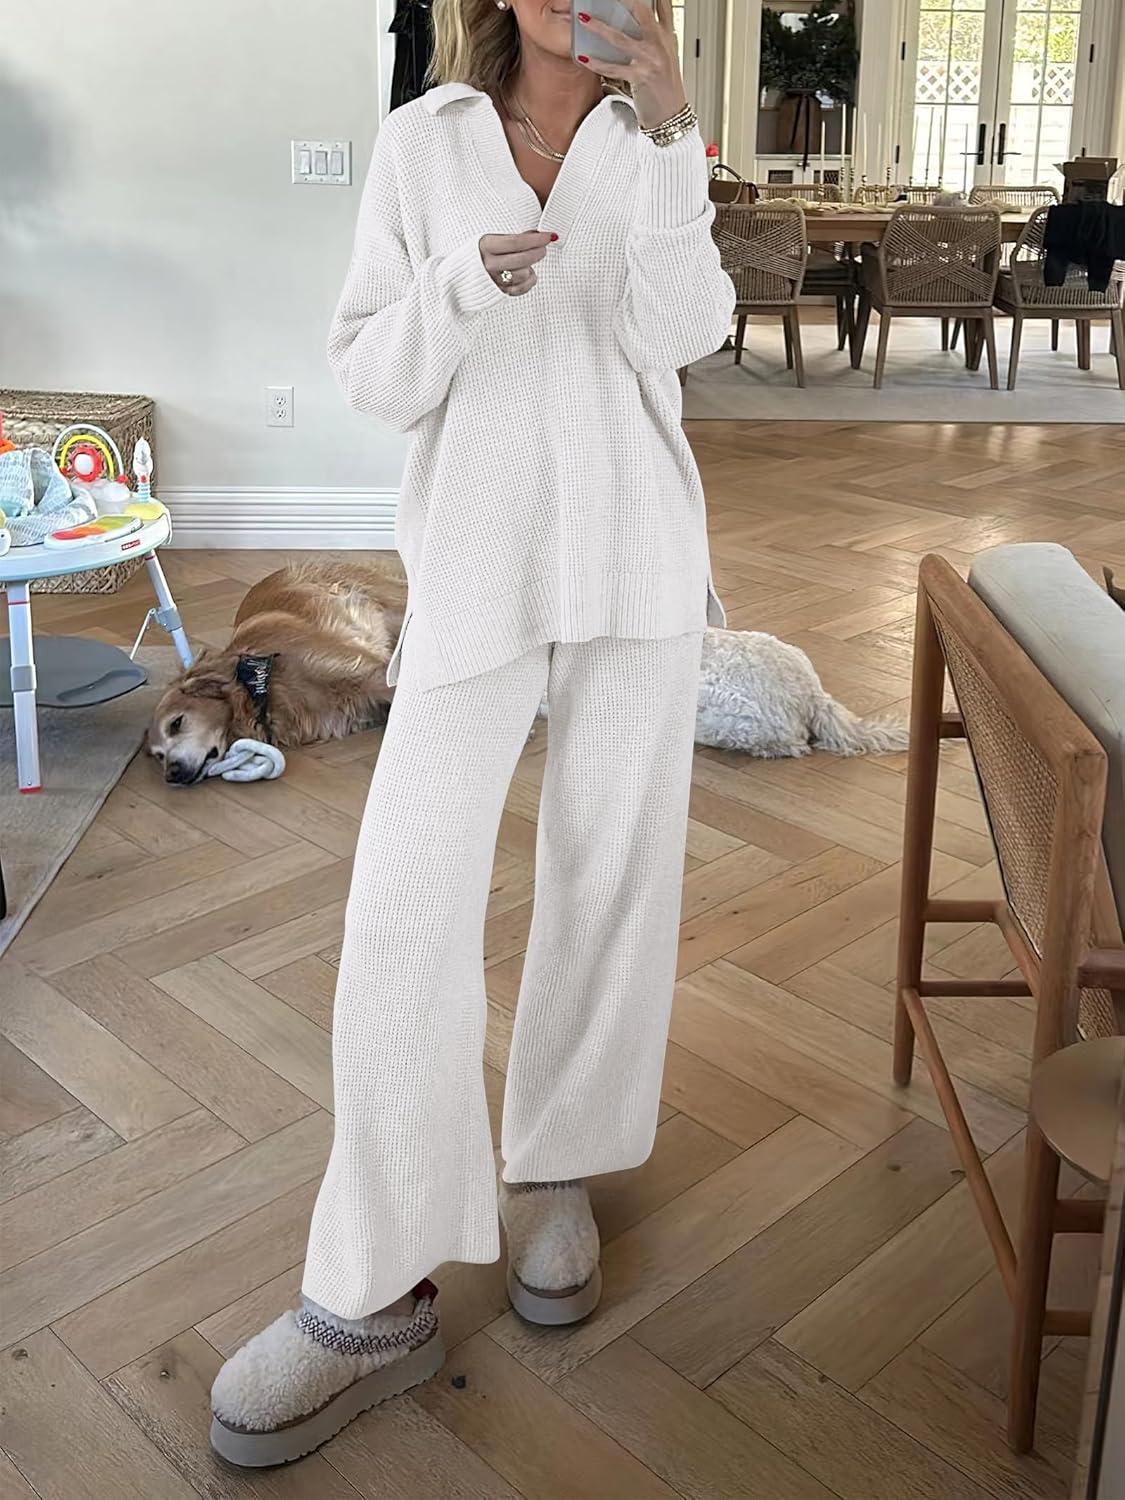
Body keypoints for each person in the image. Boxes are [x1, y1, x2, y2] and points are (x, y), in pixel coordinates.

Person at [209, 0, 735, 1466]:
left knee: (613, 876)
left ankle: (555, 1162)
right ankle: (368, 1290)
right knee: (404, 906)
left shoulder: (656, 138)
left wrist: (676, 131)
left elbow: (686, 334)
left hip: (637, 559)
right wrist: (457, 284)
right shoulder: (423, 144)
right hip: (474, 568)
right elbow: (375, 377)